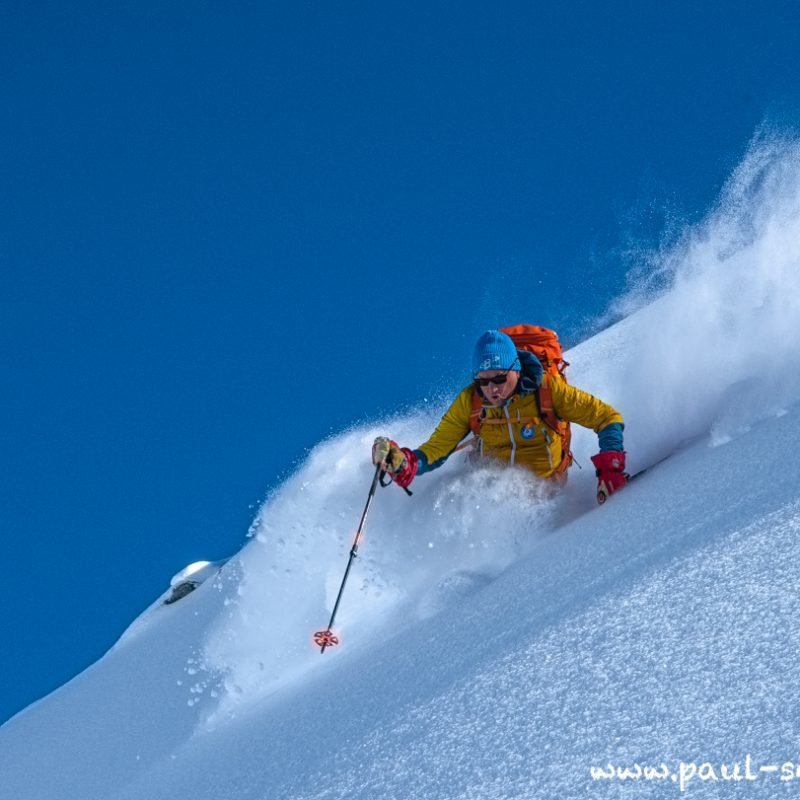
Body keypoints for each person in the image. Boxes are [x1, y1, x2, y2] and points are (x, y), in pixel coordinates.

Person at [372, 329, 627, 502]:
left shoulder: (547, 390)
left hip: (549, 490)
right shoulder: (470, 401)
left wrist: (610, 467)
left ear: (515, 370)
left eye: (500, 378)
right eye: (482, 381)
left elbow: (606, 417)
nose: (492, 388)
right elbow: (437, 449)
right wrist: (404, 461)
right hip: (490, 496)